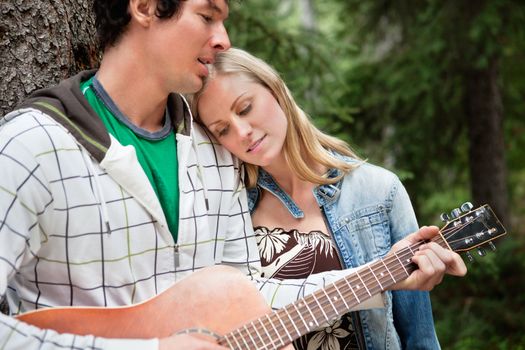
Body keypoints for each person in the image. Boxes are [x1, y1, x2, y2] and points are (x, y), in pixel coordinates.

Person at [0, 1, 466, 349]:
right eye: (208, 15)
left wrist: (381, 273)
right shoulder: (31, 147)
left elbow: (249, 291)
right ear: (144, 8)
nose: (223, 39)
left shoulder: (213, 152)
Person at [190, 47, 464, 350]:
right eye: (223, 129)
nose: (242, 132)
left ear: (275, 91)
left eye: (244, 109)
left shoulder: (378, 192)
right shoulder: (230, 209)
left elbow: (419, 338)